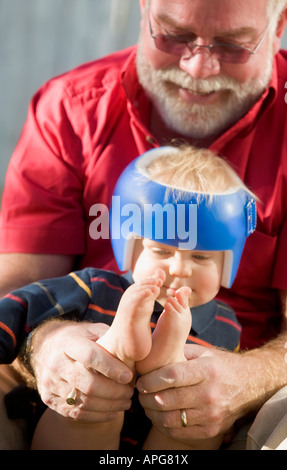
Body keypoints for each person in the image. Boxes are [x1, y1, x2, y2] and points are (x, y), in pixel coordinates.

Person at [0, 0, 287, 450]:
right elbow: (16, 292)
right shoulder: (73, 109)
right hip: (67, 365)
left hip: (245, 396)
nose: (198, 67)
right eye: (173, 35)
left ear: (279, 26)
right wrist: (49, 346)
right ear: (144, 10)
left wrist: (248, 379)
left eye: (232, 45)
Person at [0, 145, 253, 449]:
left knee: (194, 427)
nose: (178, 268)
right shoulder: (96, 287)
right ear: (129, 246)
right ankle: (114, 350)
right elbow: (22, 307)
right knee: (89, 405)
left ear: (227, 262)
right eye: (161, 250)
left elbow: (228, 404)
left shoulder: (226, 326)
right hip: (84, 428)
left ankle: (169, 363)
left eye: (200, 256)